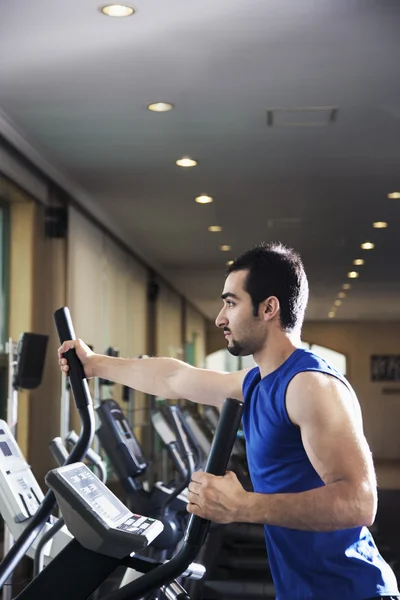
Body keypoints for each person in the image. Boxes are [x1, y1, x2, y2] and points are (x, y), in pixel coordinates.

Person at [58, 242, 399, 600]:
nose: (221, 317)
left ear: (268, 308)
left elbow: (360, 502)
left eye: (231, 303)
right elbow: (174, 378)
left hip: (354, 592)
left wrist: (243, 506)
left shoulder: (309, 385)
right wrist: (96, 364)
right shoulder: (256, 382)